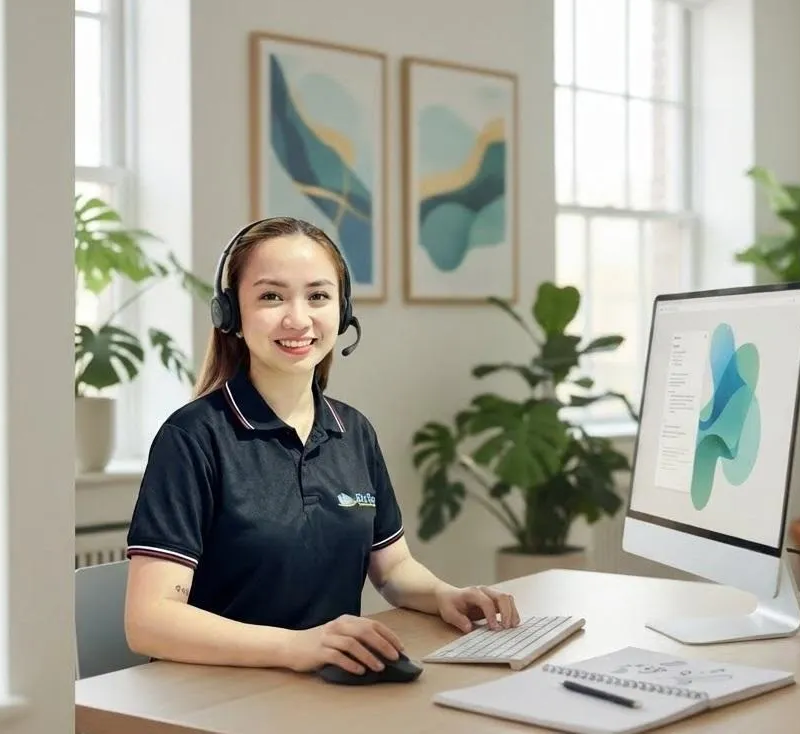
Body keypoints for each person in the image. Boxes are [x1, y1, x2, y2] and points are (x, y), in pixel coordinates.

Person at [123, 216, 520, 677]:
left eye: (318, 296)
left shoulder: (353, 431)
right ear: (230, 314)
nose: (298, 318)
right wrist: (297, 648)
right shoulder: (193, 437)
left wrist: (442, 595)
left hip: (323, 686)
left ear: (343, 310)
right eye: (271, 296)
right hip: (215, 694)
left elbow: (392, 569)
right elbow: (149, 622)